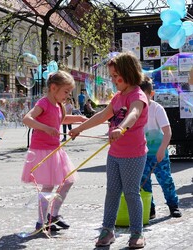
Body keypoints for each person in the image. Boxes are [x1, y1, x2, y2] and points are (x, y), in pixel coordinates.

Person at [69, 51, 148, 249]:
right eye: (111, 76)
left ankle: (137, 232)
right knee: (112, 192)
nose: (113, 80)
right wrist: (79, 128)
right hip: (114, 153)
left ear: (128, 73)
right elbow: (102, 116)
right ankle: (108, 229)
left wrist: (122, 128)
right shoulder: (118, 97)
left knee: (131, 193)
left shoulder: (137, 95)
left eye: (115, 76)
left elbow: (134, 113)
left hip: (133, 154)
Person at [21, 70, 87, 231]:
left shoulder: (58, 105)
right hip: (42, 150)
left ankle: (53, 215)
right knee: (49, 186)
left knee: (68, 181)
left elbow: (60, 119)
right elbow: (27, 118)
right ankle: (41, 221)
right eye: (66, 92)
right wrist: (46, 128)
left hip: (55, 149)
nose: (67, 95)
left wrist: (78, 119)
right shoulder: (43, 103)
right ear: (53, 88)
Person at [140, 76, 182, 219]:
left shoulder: (157, 109)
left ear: (151, 94)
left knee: (166, 180)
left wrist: (162, 149)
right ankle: (149, 208)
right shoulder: (135, 109)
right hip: (142, 154)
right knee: (144, 183)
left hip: (159, 153)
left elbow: (167, 131)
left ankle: (173, 205)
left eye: (143, 96)